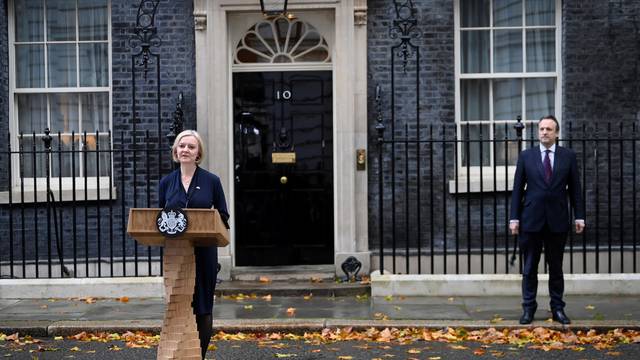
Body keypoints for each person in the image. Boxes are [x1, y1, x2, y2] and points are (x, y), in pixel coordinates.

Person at [158, 129, 229, 358]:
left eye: (191, 146)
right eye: (181, 146)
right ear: (175, 151)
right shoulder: (166, 183)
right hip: (176, 253)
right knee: (178, 305)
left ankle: (200, 355)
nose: (185, 150)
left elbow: (223, 216)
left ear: (198, 153)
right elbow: (160, 218)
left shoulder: (212, 181)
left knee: (202, 307)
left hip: (204, 252)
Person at [509, 115, 585, 325]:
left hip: (557, 220)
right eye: (541, 129)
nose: (544, 132)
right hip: (531, 220)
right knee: (530, 267)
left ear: (557, 133)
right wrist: (514, 218)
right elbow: (517, 190)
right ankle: (528, 308)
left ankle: (558, 308)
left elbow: (575, 189)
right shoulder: (526, 156)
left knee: (556, 267)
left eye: (549, 129)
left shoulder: (568, 156)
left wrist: (579, 215)